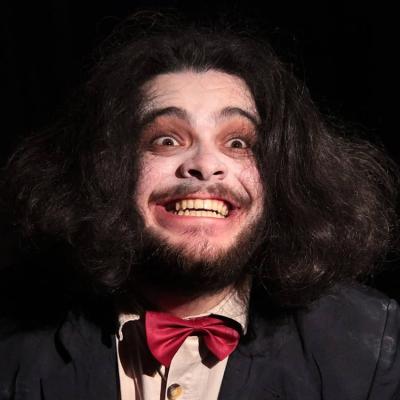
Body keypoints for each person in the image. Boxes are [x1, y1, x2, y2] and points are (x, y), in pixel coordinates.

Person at [1, 14, 399, 400]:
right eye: (166, 140)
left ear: (283, 176)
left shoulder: (371, 346)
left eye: (238, 143)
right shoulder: (13, 338)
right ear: (108, 169)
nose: (206, 165)